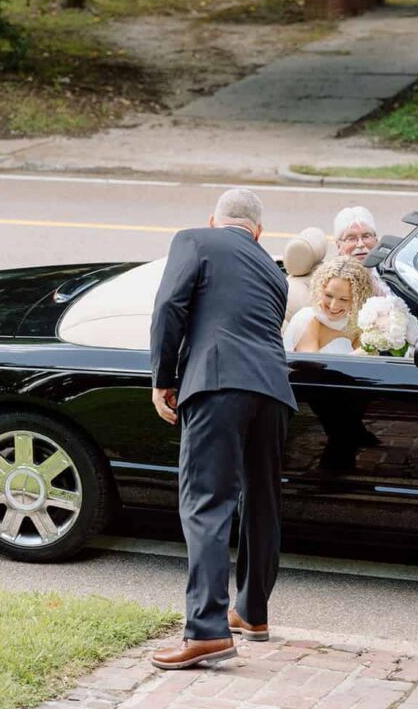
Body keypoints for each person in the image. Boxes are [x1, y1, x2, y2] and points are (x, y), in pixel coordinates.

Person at [149, 188, 296, 670]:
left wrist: (163, 379)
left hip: (216, 384)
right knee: (261, 502)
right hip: (273, 391)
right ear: (258, 231)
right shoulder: (274, 273)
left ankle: (206, 631)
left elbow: (170, 305)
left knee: (206, 503)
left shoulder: (195, 240)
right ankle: (252, 613)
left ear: (214, 219)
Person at [284, 255, 373, 354]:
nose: (333, 306)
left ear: (356, 300)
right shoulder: (307, 319)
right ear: (320, 289)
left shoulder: (356, 325)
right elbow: (310, 366)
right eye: (328, 295)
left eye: (343, 299)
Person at [333, 205, 391, 297]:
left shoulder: (389, 271)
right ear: (339, 245)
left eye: (366, 236)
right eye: (351, 238)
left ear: (376, 240)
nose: (360, 244)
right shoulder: (332, 279)